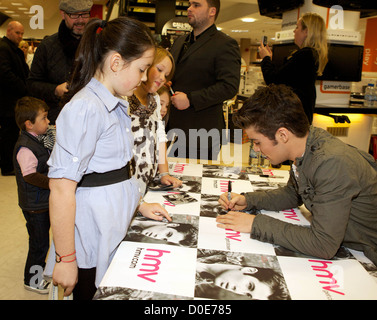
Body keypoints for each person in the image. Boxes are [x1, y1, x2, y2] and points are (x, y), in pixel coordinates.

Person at [46, 17, 171, 300]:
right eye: (141, 69)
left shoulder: (115, 103)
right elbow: (61, 187)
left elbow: (111, 171)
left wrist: (137, 205)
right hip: (92, 231)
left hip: (113, 219)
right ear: (116, 63)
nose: (143, 78)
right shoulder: (85, 109)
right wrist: (66, 259)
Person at [217, 84, 377, 266]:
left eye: (257, 142)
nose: (256, 149)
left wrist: (255, 224)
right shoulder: (306, 146)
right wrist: (249, 201)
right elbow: (293, 194)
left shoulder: (330, 163)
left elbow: (323, 244)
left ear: (283, 135)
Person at [167, 0, 241, 160]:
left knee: (193, 183)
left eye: (196, 5)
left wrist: (191, 99)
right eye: (189, 4)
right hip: (172, 130)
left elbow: (229, 86)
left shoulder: (225, 44)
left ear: (212, 11)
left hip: (201, 133)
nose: (189, 9)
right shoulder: (181, 41)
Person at [27, 0, 93, 124]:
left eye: (84, 14)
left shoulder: (96, 45)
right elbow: (32, 84)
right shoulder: (47, 46)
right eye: (74, 15)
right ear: (63, 14)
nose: (80, 20)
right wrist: (55, 90)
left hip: (90, 117)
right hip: (56, 119)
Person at [258, 12, 328, 124]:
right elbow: (285, 77)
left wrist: (265, 59)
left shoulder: (305, 54)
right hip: (299, 115)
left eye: (297, 27)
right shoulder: (311, 55)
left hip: (293, 116)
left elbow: (273, 80)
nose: (294, 31)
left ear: (306, 31)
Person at [129, 46, 181, 196]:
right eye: (159, 69)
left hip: (148, 178)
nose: (162, 78)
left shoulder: (155, 99)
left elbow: (160, 136)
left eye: (166, 75)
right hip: (127, 182)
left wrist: (164, 173)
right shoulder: (125, 98)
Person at [13, 96, 51, 294]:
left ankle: (37, 272)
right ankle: (32, 280)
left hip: (39, 203)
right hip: (35, 205)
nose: (48, 122)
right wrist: (53, 183)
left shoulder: (35, 139)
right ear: (29, 124)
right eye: (44, 118)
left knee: (40, 241)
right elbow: (30, 176)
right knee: (39, 244)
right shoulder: (26, 147)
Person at [0, 21, 29, 176]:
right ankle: (6, 166)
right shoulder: (4, 48)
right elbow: (5, 74)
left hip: (12, 99)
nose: (20, 36)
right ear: (9, 31)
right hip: (7, 101)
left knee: (9, 134)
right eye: (17, 33)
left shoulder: (12, 49)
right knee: (8, 134)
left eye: (22, 33)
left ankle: (7, 163)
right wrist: (24, 88)